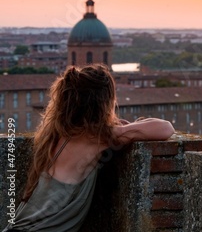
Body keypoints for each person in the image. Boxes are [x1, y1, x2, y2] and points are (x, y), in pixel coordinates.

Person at [2, 64, 175, 232]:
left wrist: (120, 128)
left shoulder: (57, 135)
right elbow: (166, 128)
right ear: (104, 103)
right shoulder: (95, 137)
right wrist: (124, 129)